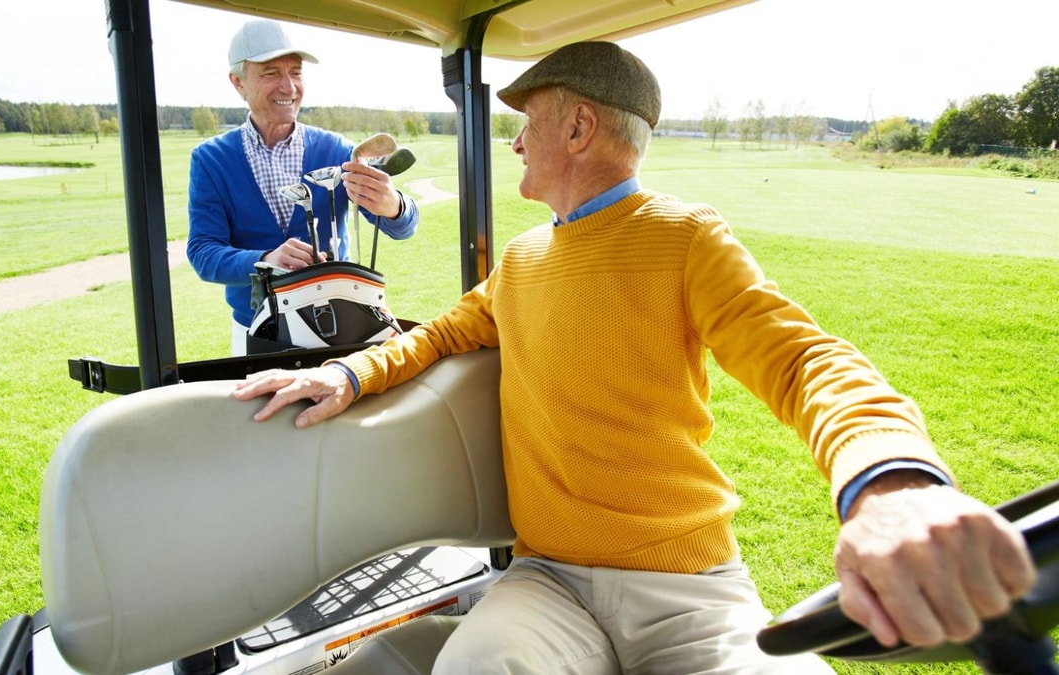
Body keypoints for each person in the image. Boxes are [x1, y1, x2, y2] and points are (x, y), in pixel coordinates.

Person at [232, 41, 1036, 673]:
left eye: (529, 119)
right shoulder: (518, 260)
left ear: (580, 127)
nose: (513, 141)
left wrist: (892, 483)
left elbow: (805, 362)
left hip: (688, 586)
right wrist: (341, 371)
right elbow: (440, 334)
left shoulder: (685, 237)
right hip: (545, 581)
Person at [186, 19, 420, 356]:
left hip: (343, 324)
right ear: (237, 81)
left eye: (295, 72)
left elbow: (405, 228)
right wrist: (265, 260)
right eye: (270, 73)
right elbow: (204, 253)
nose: (289, 87)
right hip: (256, 330)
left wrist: (394, 204)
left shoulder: (339, 151)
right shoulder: (211, 159)